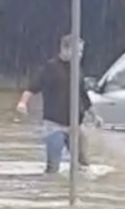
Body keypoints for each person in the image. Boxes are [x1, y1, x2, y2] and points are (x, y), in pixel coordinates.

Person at [16, 34, 101, 174]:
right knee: (53, 166)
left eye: (81, 52)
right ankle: (52, 190)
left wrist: (95, 116)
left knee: (84, 165)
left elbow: (83, 96)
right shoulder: (50, 68)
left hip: (75, 125)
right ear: (65, 49)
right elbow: (32, 87)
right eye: (77, 51)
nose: (80, 55)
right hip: (54, 125)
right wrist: (22, 103)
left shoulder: (77, 69)